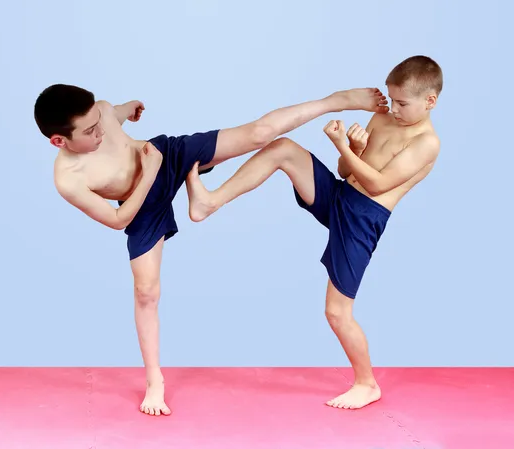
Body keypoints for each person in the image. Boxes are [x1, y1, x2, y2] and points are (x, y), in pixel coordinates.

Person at [33, 83, 389, 416]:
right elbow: (117, 218)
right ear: (58, 141)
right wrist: (148, 172)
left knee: (260, 134)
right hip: (141, 201)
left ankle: (335, 100)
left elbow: (116, 111)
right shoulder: (69, 179)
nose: (101, 132)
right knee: (146, 292)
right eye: (90, 131)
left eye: (99, 123)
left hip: (166, 155)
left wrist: (131, 109)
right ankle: (154, 380)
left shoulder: (103, 113)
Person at [185, 55, 443, 410]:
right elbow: (346, 169)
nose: (393, 108)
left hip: (363, 218)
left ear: (430, 101)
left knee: (337, 313)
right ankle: (210, 202)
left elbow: (378, 182)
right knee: (283, 148)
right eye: (391, 99)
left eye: (402, 103)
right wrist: (353, 148)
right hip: (340, 194)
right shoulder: (383, 117)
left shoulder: (427, 143)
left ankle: (367, 384)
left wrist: (341, 146)